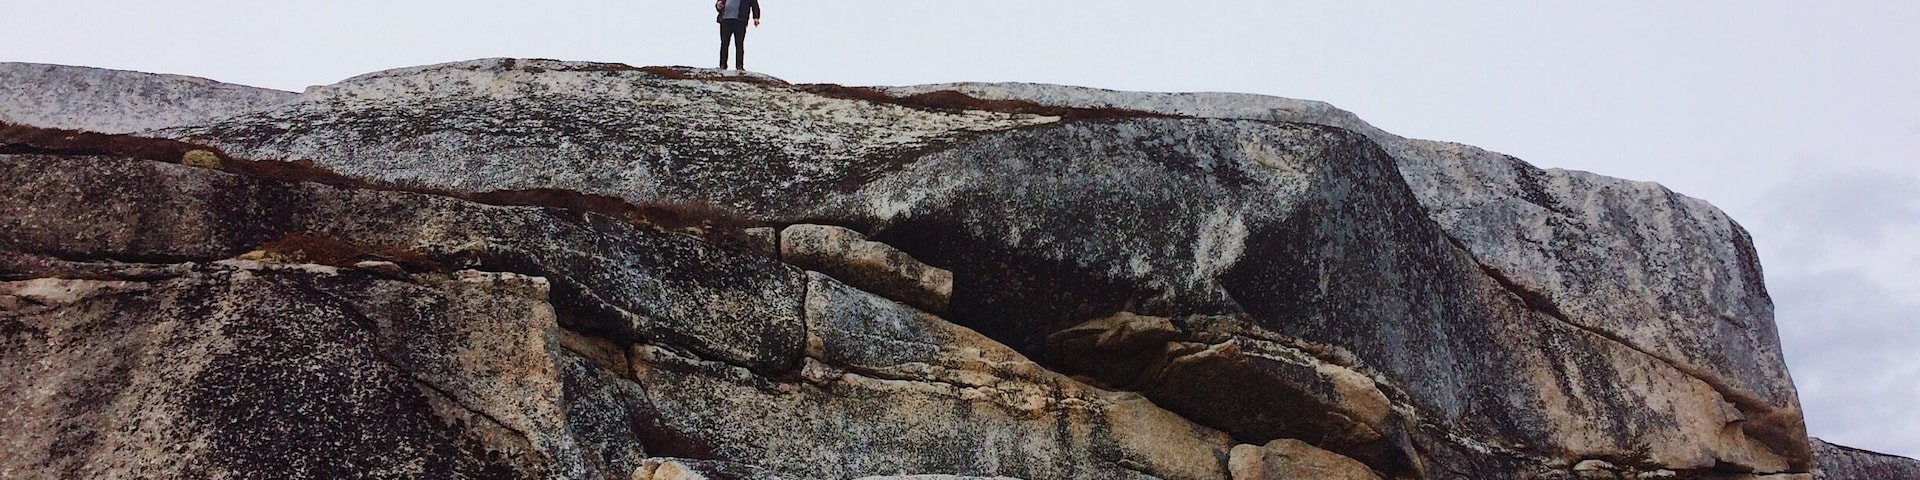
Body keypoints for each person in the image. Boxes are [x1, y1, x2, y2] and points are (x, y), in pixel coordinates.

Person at [715, 0, 762, 70]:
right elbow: (719, 4)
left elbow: (754, 5)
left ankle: (739, 66)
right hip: (725, 20)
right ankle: (722, 65)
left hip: (740, 20)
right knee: (724, 43)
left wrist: (756, 17)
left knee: (739, 44)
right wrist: (718, 5)